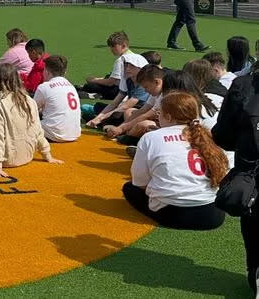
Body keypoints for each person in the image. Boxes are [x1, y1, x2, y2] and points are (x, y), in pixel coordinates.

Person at [124, 92, 228, 230]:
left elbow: (140, 182)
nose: (157, 117)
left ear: (168, 116)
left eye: (159, 113)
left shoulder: (151, 137)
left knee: (129, 188)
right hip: (213, 214)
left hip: (176, 214)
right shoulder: (205, 135)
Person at [213, 63, 259, 293]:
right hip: (251, 172)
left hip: (250, 171)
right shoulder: (243, 84)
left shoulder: (243, 84)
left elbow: (223, 134)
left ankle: (256, 271)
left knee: (252, 223)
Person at [86, 52, 150, 129]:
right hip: (129, 110)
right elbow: (114, 103)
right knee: (99, 107)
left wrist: (100, 118)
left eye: (132, 66)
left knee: (126, 112)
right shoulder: (128, 81)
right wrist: (97, 119)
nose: (127, 69)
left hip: (139, 112)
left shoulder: (143, 84)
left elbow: (125, 106)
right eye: (126, 65)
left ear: (140, 68)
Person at [104, 65, 164, 144]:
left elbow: (147, 115)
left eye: (146, 87)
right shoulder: (155, 93)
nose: (146, 91)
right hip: (159, 121)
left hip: (165, 126)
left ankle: (127, 138)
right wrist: (120, 128)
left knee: (143, 125)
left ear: (157, 82)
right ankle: (129, 135)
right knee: (129, 111)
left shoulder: (165, 95)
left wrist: (121, 129)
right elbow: (143, 110)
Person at [34, 55, 81, 142]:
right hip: (74, 133)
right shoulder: (71, 86)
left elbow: (31, 111)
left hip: (52, 134)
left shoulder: (44, 87)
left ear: (47, 72)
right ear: (65, 72)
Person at [77, 31, 131, 100]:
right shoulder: (137, 56)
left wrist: (94, 80)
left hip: (119, 92)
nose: (111, 49)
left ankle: (94, 94)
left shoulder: (121, 60)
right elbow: (115, 79)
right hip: (129, 90)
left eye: (113, 46)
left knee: (90, 86)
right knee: (104, 79)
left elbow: (110, 82)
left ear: (123, 45)